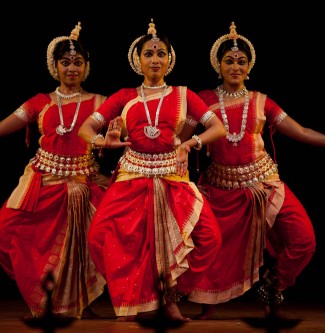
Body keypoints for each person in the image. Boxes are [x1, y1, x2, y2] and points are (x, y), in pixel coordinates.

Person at [186, 21, 325, 319]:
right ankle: (208, 303)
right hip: (220, 188)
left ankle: (273, 285)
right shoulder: (203, 99)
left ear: (249, 67)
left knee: (303, 239)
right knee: (213, 249)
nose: (235, 66)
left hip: (264, 184)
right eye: (229, 61)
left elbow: (302, 131)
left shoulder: (261, 101)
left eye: (241, 61)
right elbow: (182, 138)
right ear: (218, 65)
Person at [0, 22, 109, 319]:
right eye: (65, 63)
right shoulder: (41, 102)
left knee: (82, 247)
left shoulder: (101, 102)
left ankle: (82, 304)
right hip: (43, 183)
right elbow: (0, 128)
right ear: (55, 66)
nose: (72, 68)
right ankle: (48, 294)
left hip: (82, 184)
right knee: (1, 234)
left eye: (78, 62)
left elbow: (134, 128)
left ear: (87, 66)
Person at [78, 19, 227, 322]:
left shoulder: (184, 94)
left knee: (209, 237)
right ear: (138, 60)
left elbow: (218, 127)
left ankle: (169, 298)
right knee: (98, 237)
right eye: (148, 54)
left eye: (161, 54)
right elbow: (85, 128)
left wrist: (189, 144)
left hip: (172, 175)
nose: (155, 59)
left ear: (169, 59)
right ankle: (134, 295)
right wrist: (102, 141)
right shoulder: (123, 96)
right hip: (133, 175)